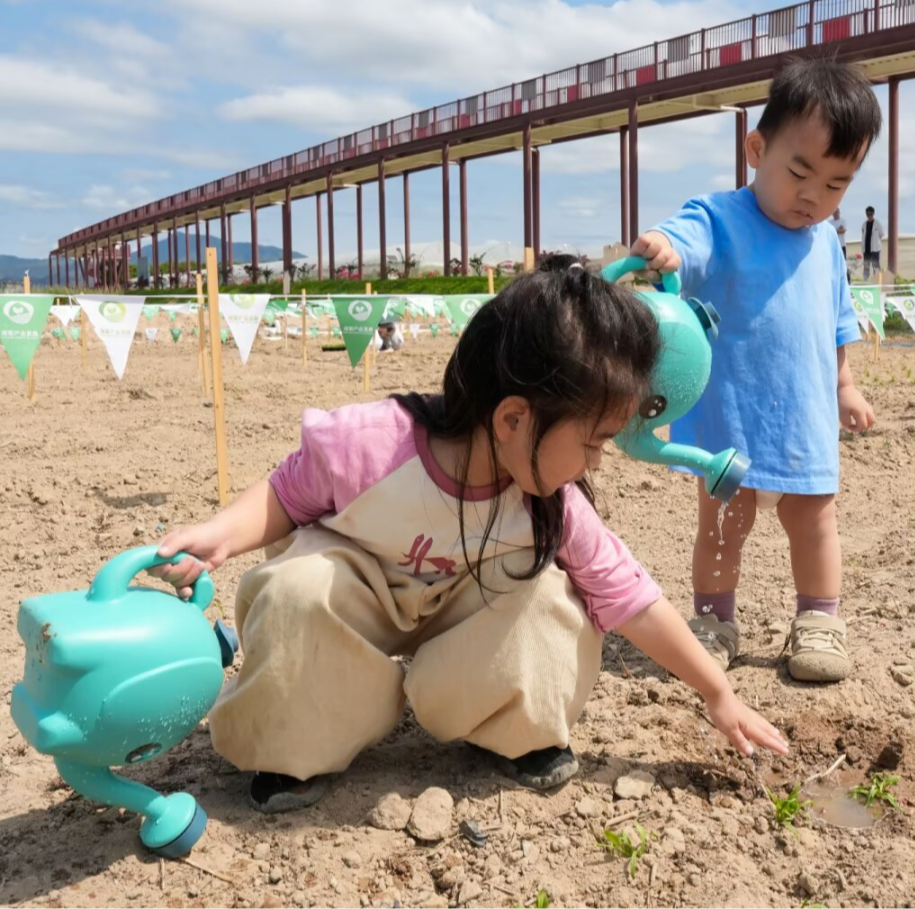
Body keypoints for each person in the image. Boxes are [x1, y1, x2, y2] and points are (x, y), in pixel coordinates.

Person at [151, 257, 787, 813]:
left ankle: (518, 732)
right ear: (514, 416)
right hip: (352, 611)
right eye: (592, 442)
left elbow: (633, 599)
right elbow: (286, 495)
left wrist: (717, 691)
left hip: (460, 628)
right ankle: (302, 739)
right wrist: (221, 533)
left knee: (552, 604)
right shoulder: (369, 444)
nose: (595, 463)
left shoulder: (552, 505)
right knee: (294, 589)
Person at [629, 57, 880, 685]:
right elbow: (684, 240)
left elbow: (836, 323)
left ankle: (819, 618)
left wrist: (845, 387)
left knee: (813, 518)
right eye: (799, 171)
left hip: (805, 413)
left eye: (836, 184)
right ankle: (714, 621)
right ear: (756, 148)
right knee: (722, 522)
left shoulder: (826, 243)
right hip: (730, 415)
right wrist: (665, 247)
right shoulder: (719, 216)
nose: (813, 196)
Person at [860, 206, 883, 280]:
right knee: (866, 266)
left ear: (873, 214)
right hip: (866, 249)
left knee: (875, 266)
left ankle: (878, 280)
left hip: (875, 249)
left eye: (871, 214)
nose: (869, 216)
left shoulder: (877, 224)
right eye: (868, 214)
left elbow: (881, 234)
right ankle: (865, 280)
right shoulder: (864, 224)